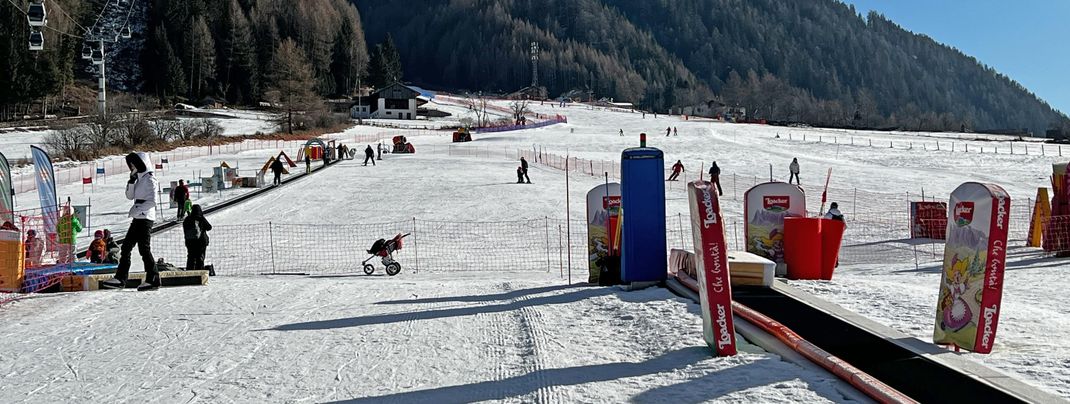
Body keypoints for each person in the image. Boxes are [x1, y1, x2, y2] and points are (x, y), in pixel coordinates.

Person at [102, 152, 160, 291]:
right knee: (126, 247)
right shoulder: (139, 179)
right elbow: (129, 196)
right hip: (138, 217)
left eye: (134, 163)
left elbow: (152, 201)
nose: (132, 166)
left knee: (144, 249)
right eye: (131, 164)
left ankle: (153, 278)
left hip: (145, 217)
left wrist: (138, 208)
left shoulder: (150, 179)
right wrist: (131, 181)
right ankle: (121, 278)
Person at [183, 204, 212, 272]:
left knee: (190, 257)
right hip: (201, 241)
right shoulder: (200, 218)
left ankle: (189, 273)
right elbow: (209, 227)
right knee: (200, 257)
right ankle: (200, 273)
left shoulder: (187, 219)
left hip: (189, 242)